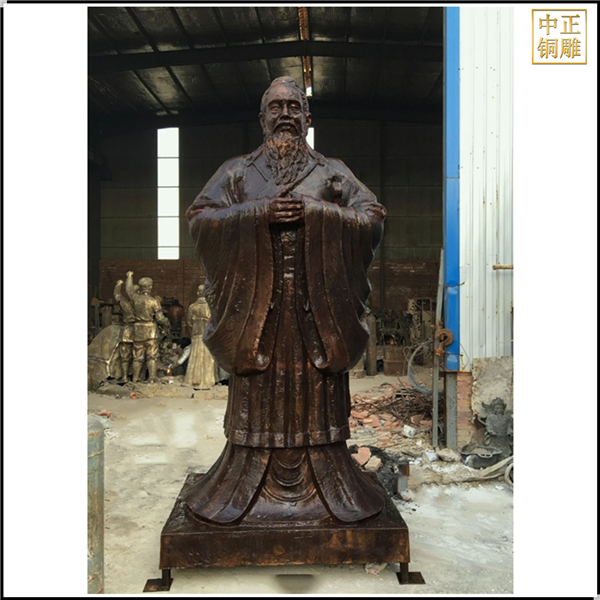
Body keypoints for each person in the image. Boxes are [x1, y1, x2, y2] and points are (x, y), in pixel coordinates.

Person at [185, 77, 387, 525]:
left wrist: (319, 213)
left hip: (318, 316)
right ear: (262, 119)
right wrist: (257, 213)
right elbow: (200, 218)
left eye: (294, 107)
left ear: (308, 118)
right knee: (259, 399)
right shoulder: (237, 172)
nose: (285, 115)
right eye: (275, 108)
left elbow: (372, 217)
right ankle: (243, 479)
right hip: (257, 316)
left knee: (317, 398)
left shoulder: (331, 172)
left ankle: (330, 480)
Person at [125, 271, 171, 383]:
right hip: (151, 331)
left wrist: (129, 276)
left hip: (138, 330)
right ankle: (151, 378)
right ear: (150, 287)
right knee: (152, 355)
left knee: (137, 356)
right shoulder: (154, 301)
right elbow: (160, 318)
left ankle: (135, 378)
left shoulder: (135, 298)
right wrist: (167, 323)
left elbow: (129, 289)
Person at [184, 286, 217, 389]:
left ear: (198, 293)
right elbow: (214, 322)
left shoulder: (192, 307)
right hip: (207, 335)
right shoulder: (210, 307)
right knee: (207, 357)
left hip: (196, 334)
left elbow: (189, 322)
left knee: (195, 356)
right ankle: (207, 380)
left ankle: (192, 379)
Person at [113, 278, 136, 383]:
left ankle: (125, 377)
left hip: (127, 331)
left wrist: (118, 284)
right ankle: (136, 377)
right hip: (139, 331)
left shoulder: (125, 304)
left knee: (125, 356)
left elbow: (117, 294)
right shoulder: (143, 303)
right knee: (138, 356)